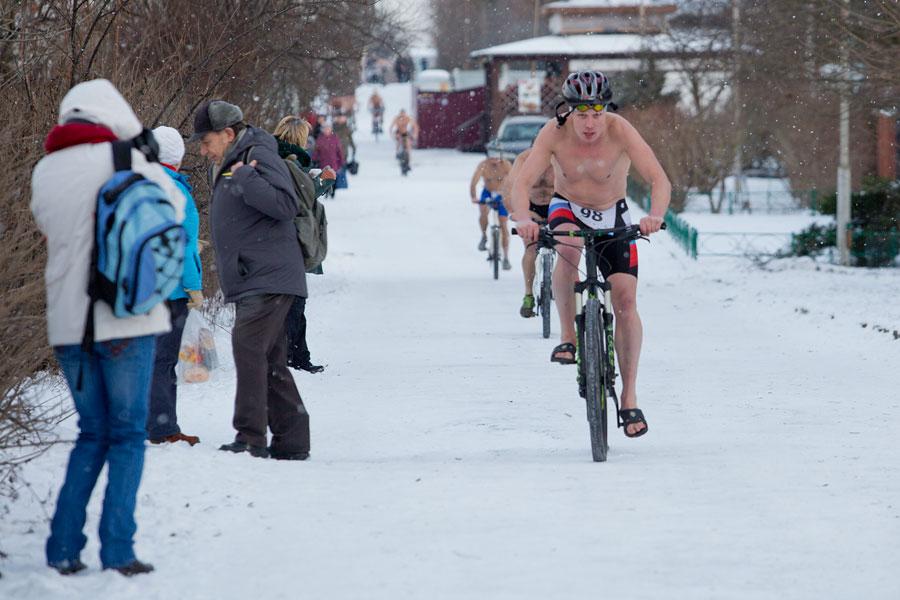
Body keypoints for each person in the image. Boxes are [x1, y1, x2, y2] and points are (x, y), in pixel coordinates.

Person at [31, 79, 184, 576]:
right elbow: (172, 210)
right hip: (124, 318)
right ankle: (118, 548)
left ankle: (62, 547)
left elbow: (49, 228)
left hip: (68, 324)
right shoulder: (124, 158)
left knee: (91, 433)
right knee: (127, 435)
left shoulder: (45, 170)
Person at [510, 71, 671, 438]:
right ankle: (568, 336)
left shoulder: (620, 130)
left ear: (606, 110)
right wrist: (523, 219)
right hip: (567, 207)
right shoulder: (553, 133)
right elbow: (523, 182)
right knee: (567, 246)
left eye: (597, 113)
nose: (589, 123)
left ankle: (629, 398)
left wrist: (655, 215)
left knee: (626, 301)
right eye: (581, 114)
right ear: (568, 111)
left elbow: (658, 178)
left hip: (613, 212)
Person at [191, 100, 310, 460]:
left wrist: (246, 178)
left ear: (228, 134)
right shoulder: (238, 157)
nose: (204, 151)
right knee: (269, 360)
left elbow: (285, 205)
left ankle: (250, 436)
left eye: (207, 142)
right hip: (257, 274)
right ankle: (292, 440)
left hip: (267, 275)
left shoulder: (258, 154)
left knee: (248, 347)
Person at [145, 126, 203, 446]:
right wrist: (194, 286)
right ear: (176, 157)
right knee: (163, 360)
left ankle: (139, 421)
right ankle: (162, 427)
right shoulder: (175, 190)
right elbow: (182, 246)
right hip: (170, 290)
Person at [272, 115, 333, 374]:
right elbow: (300, 201)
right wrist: (323, 182)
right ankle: (292, 356)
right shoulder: (289, 162)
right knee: (294, 301)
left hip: (277, 240)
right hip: (289, 240)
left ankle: (295, 355)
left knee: (290, 301)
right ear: (298, 138)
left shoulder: (270, 158)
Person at [506, 146, 555, 317]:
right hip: (531, 208)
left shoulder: (561, 157)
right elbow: (512, 189)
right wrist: (522, 214)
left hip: (556, 206)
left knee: (567, 249)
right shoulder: (523, 160)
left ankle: (563, 287)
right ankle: (528, 294)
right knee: (531, 248)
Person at [469, 153, 513, 270]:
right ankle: (484, 236)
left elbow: (513, 181)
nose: (494, 160)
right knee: (483, 210)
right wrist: (473, 196)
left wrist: (509, 195)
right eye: (492, 157)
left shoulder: (506, 165)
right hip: (488, 192)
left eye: (497, 158)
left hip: (503, 194)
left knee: (503, 224)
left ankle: (506, 257)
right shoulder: (483, 165)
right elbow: (474, 182)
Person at [311, 122, 344, 198]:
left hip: (334, 162)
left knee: (333, 177)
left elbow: (339, 151)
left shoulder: (335, 138)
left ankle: (333, 192)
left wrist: (341, 161)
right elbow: (316, 151)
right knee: (325, 178)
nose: (327, 130)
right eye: (325, 129)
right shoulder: (320, 139)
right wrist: (314, 159)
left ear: (331, 129)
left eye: (328, 128)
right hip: (323, 162)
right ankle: (326, 192)